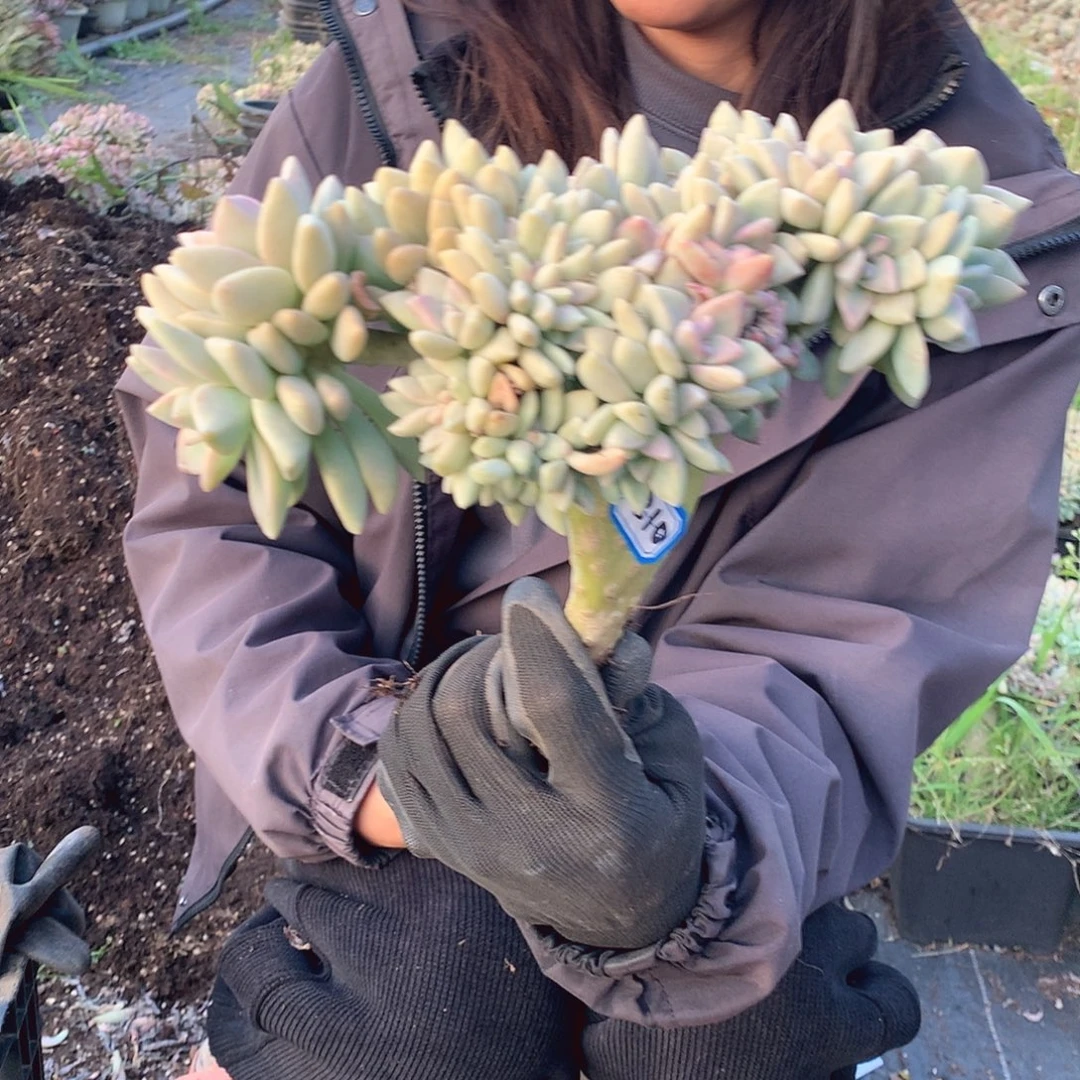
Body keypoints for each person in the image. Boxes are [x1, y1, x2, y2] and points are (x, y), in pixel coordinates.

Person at [116, 0, 1080, 1077]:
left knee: (739, 1032)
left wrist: (677, 848)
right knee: (413, 1009)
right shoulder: (398, 76)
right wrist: (366, 772)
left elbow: (862, 627)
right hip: (389, 744)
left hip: (719, 797)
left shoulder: (990, 204)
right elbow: (216, 503)